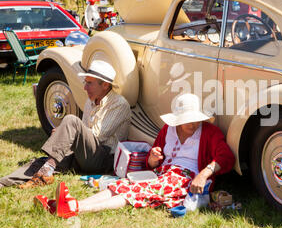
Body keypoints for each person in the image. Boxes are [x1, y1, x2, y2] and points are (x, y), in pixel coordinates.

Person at [34, 93, 236, 219]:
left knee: (135, 191)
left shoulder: (209, 132)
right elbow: (153, 158)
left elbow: (226, 157)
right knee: (125, 186)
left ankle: (74, 207)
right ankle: (68, 206)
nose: (192, 124)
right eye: (187, 120)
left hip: (184, 179)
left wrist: (204, 174)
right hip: (162, 174)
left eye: (195, 119)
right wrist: (152, 160)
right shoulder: (168, 130)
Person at [0, 60, 131, 189]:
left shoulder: (119, 104)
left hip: (104, 160)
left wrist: (67, 133)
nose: (85, 87)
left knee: (71, 121)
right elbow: (84, 135)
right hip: (86, 156)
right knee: (43, 161)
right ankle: (5, 182)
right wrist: (64, 136)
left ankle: (46, 170)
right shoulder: (90, 102)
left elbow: (97, 137)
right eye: (86, 82)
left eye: (89, 83)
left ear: (105, 85)